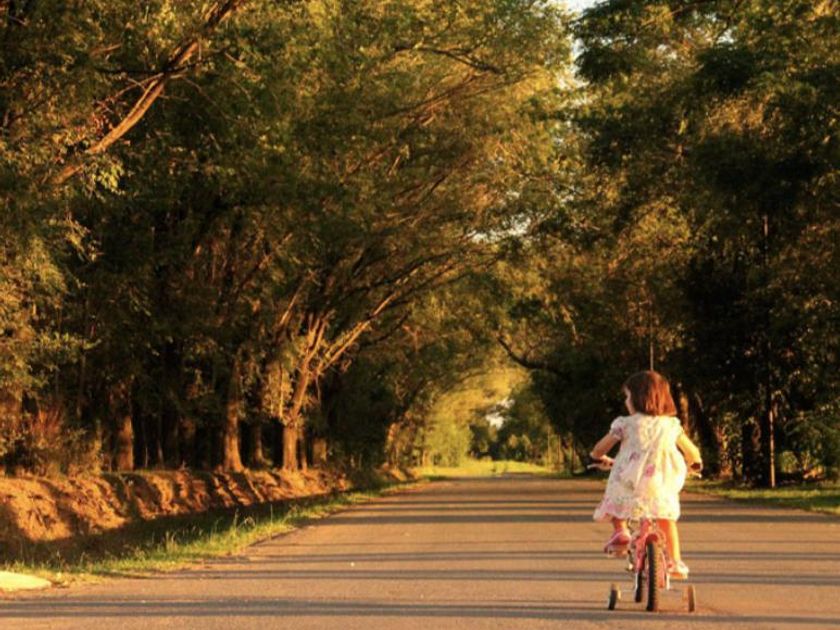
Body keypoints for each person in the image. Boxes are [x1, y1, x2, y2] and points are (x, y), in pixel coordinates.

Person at [589, 370, 702, 579]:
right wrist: (694, 464)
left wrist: (598, 456)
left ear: (638, 398)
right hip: (660, 485)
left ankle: (621, 531)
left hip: (630, 483)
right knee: (666, 519)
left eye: (627, 396)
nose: (626, 401)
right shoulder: (671, 426)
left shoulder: (624, 424)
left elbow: (599, 449)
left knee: (616, 499)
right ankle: (675, 561)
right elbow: (693, 452)